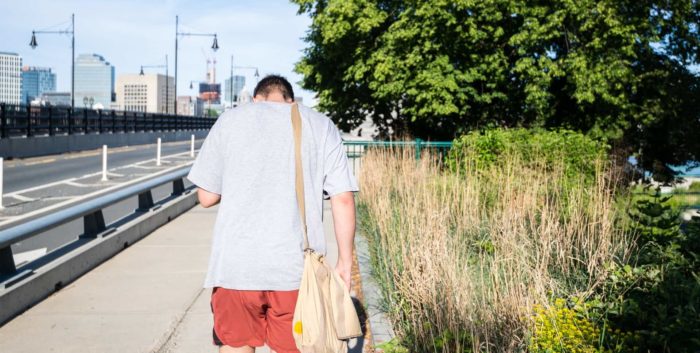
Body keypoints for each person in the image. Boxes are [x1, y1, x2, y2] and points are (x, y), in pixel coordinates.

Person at [186, 75, 358, 353]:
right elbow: (344, 199)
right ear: (290, 100)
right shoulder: (319, 124)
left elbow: (206, 197)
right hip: (295, 272)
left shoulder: (230, 121)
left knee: (235, 345)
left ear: (257, 98)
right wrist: (345, 264)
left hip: (235, 268)